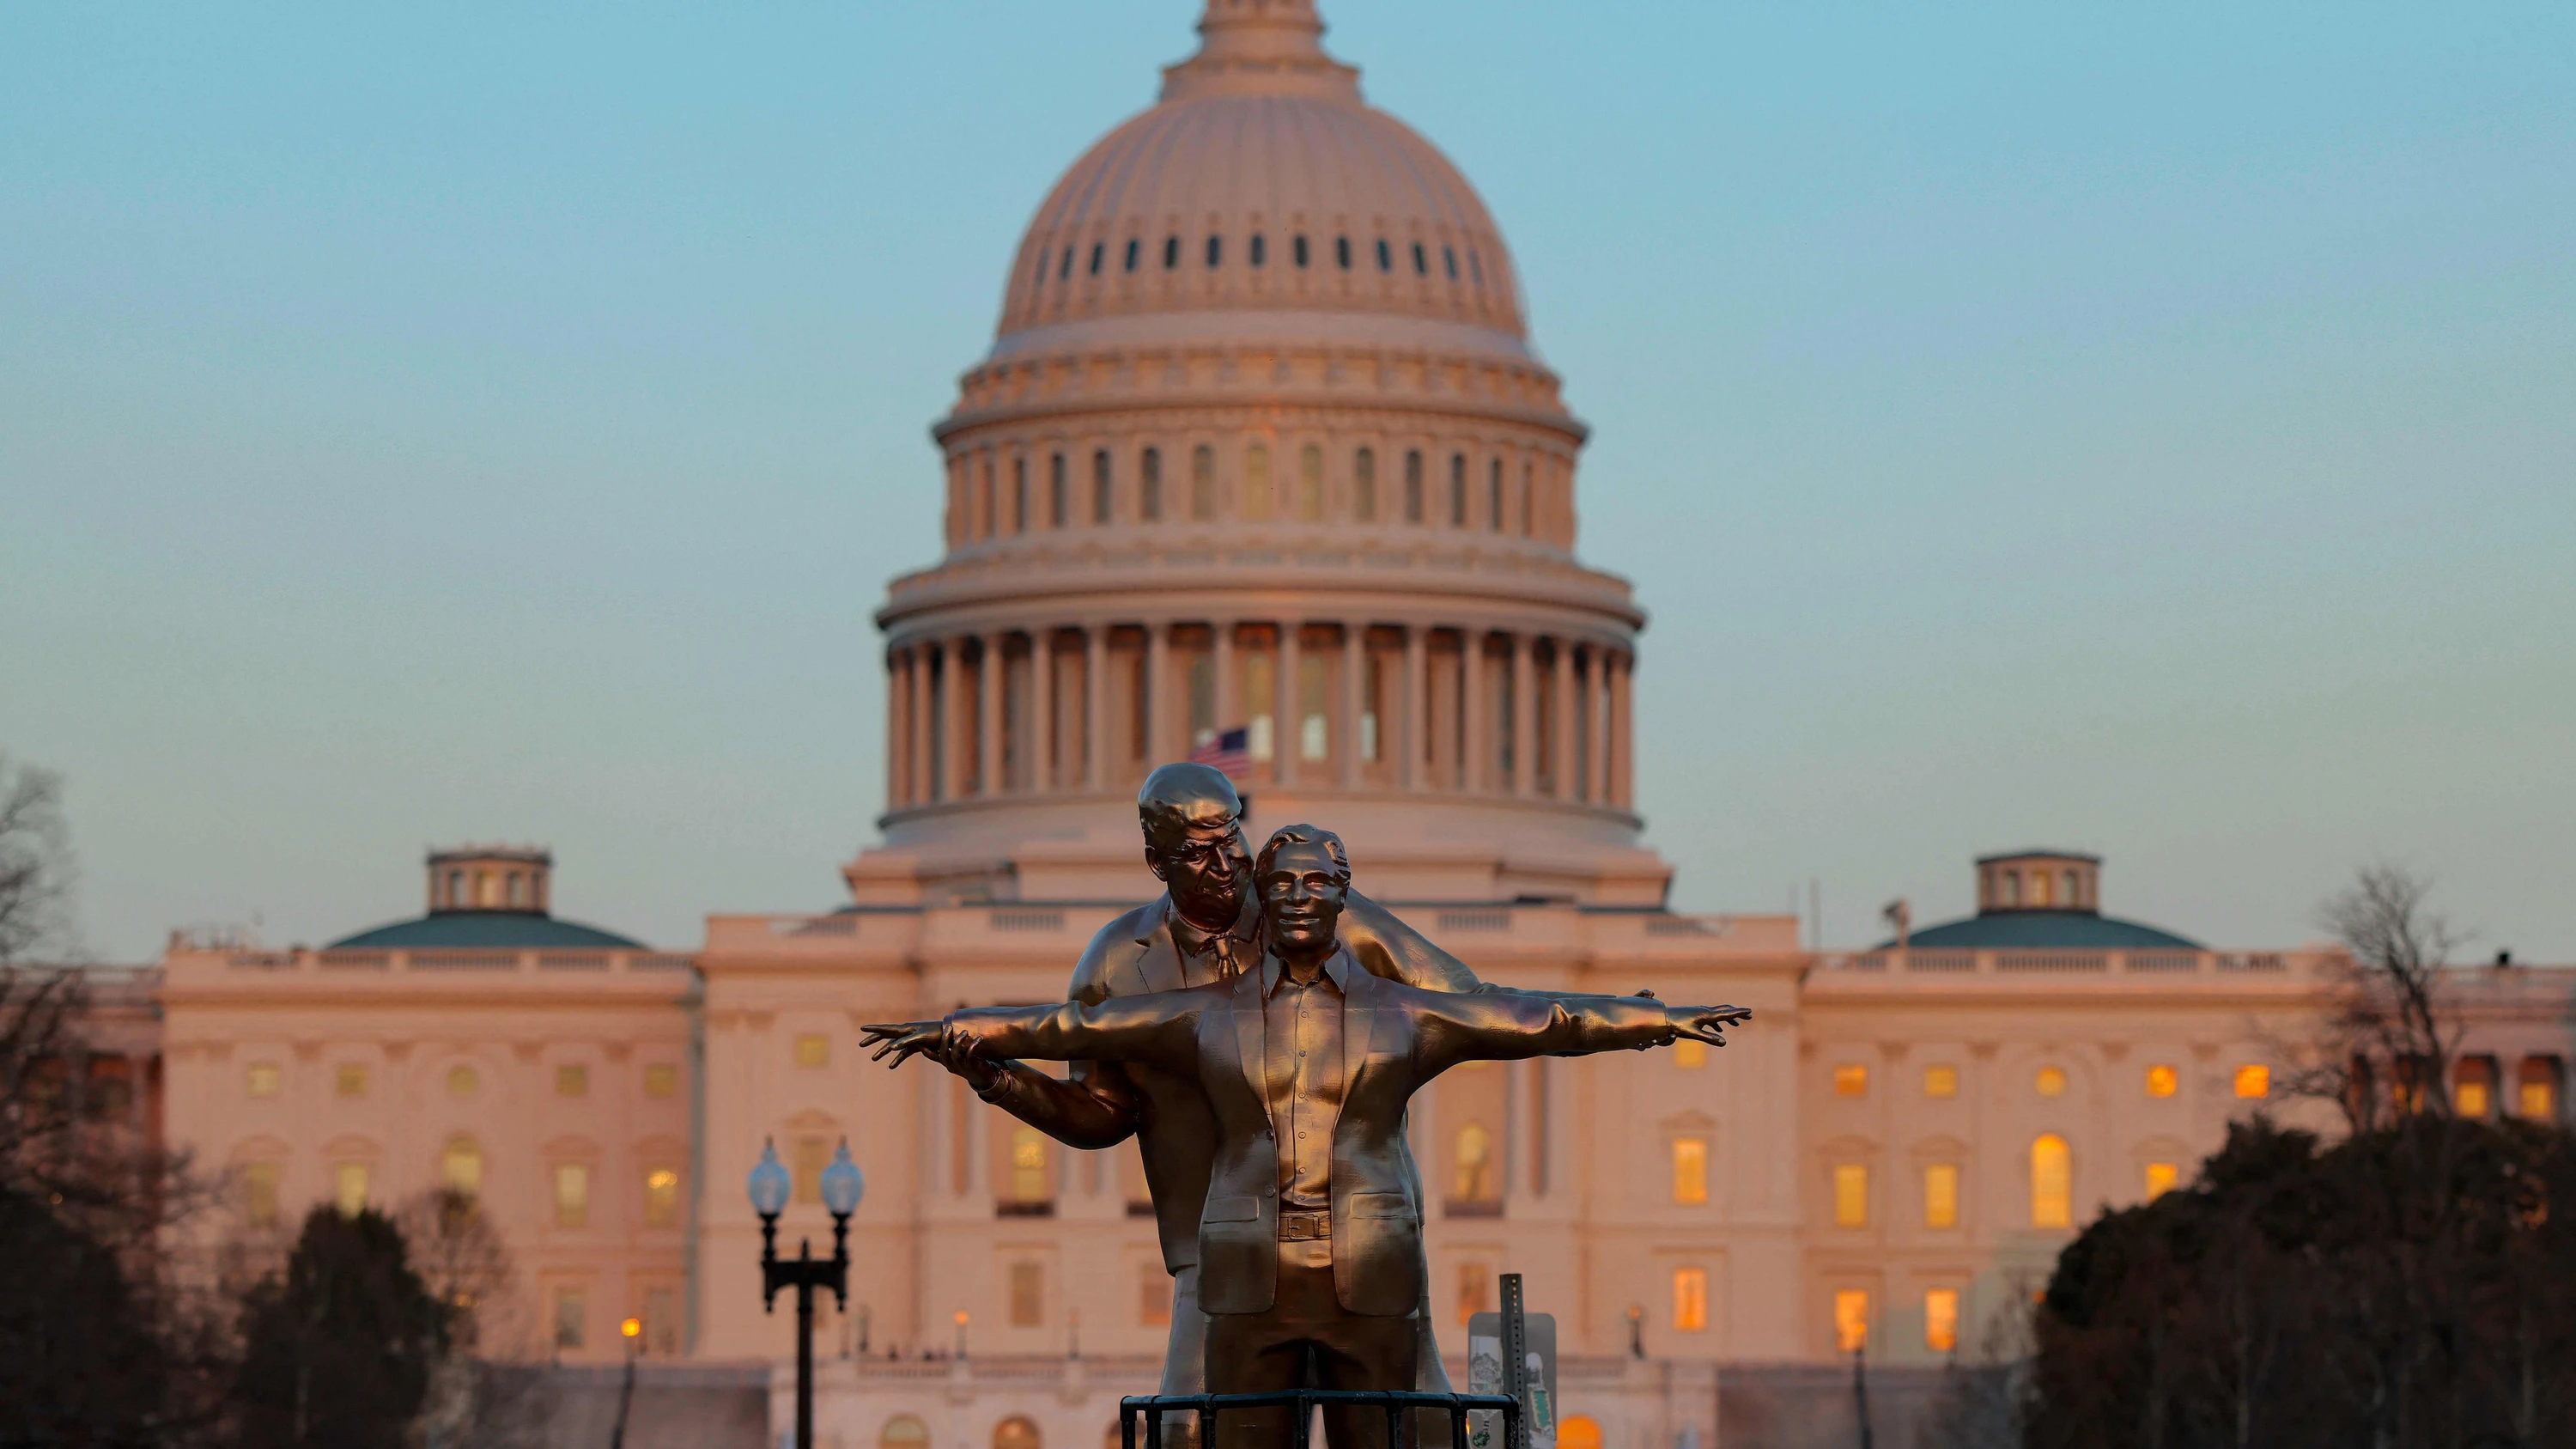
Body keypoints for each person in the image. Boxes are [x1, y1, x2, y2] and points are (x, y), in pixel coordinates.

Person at [883, 825, 1749, 1449]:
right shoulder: (1200, 1013)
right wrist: (968, 1036)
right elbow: (1070, 1027)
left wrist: (1654, 1019)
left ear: (1346, 896)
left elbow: (1540, 1018)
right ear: (1264, 897)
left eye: (1317, 883)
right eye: (1283, 884)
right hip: (1245, 1268)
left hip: (1370, 1267)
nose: (1299, 898)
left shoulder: (1407, 1011)